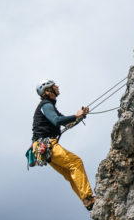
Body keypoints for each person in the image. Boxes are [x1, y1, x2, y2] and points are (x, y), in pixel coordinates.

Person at [32, 79, 95, 210]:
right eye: (54, 85)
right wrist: (75, 116)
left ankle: (87, 200)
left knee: (69, 172)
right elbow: (56, 121)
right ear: (48, 90)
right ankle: (88, 197)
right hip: (47, 144)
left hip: (42, 148)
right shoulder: (46, 105)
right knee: (76, 163)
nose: (57, 86)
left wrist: (80, 116)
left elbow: (65, 122)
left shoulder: (48, 106)